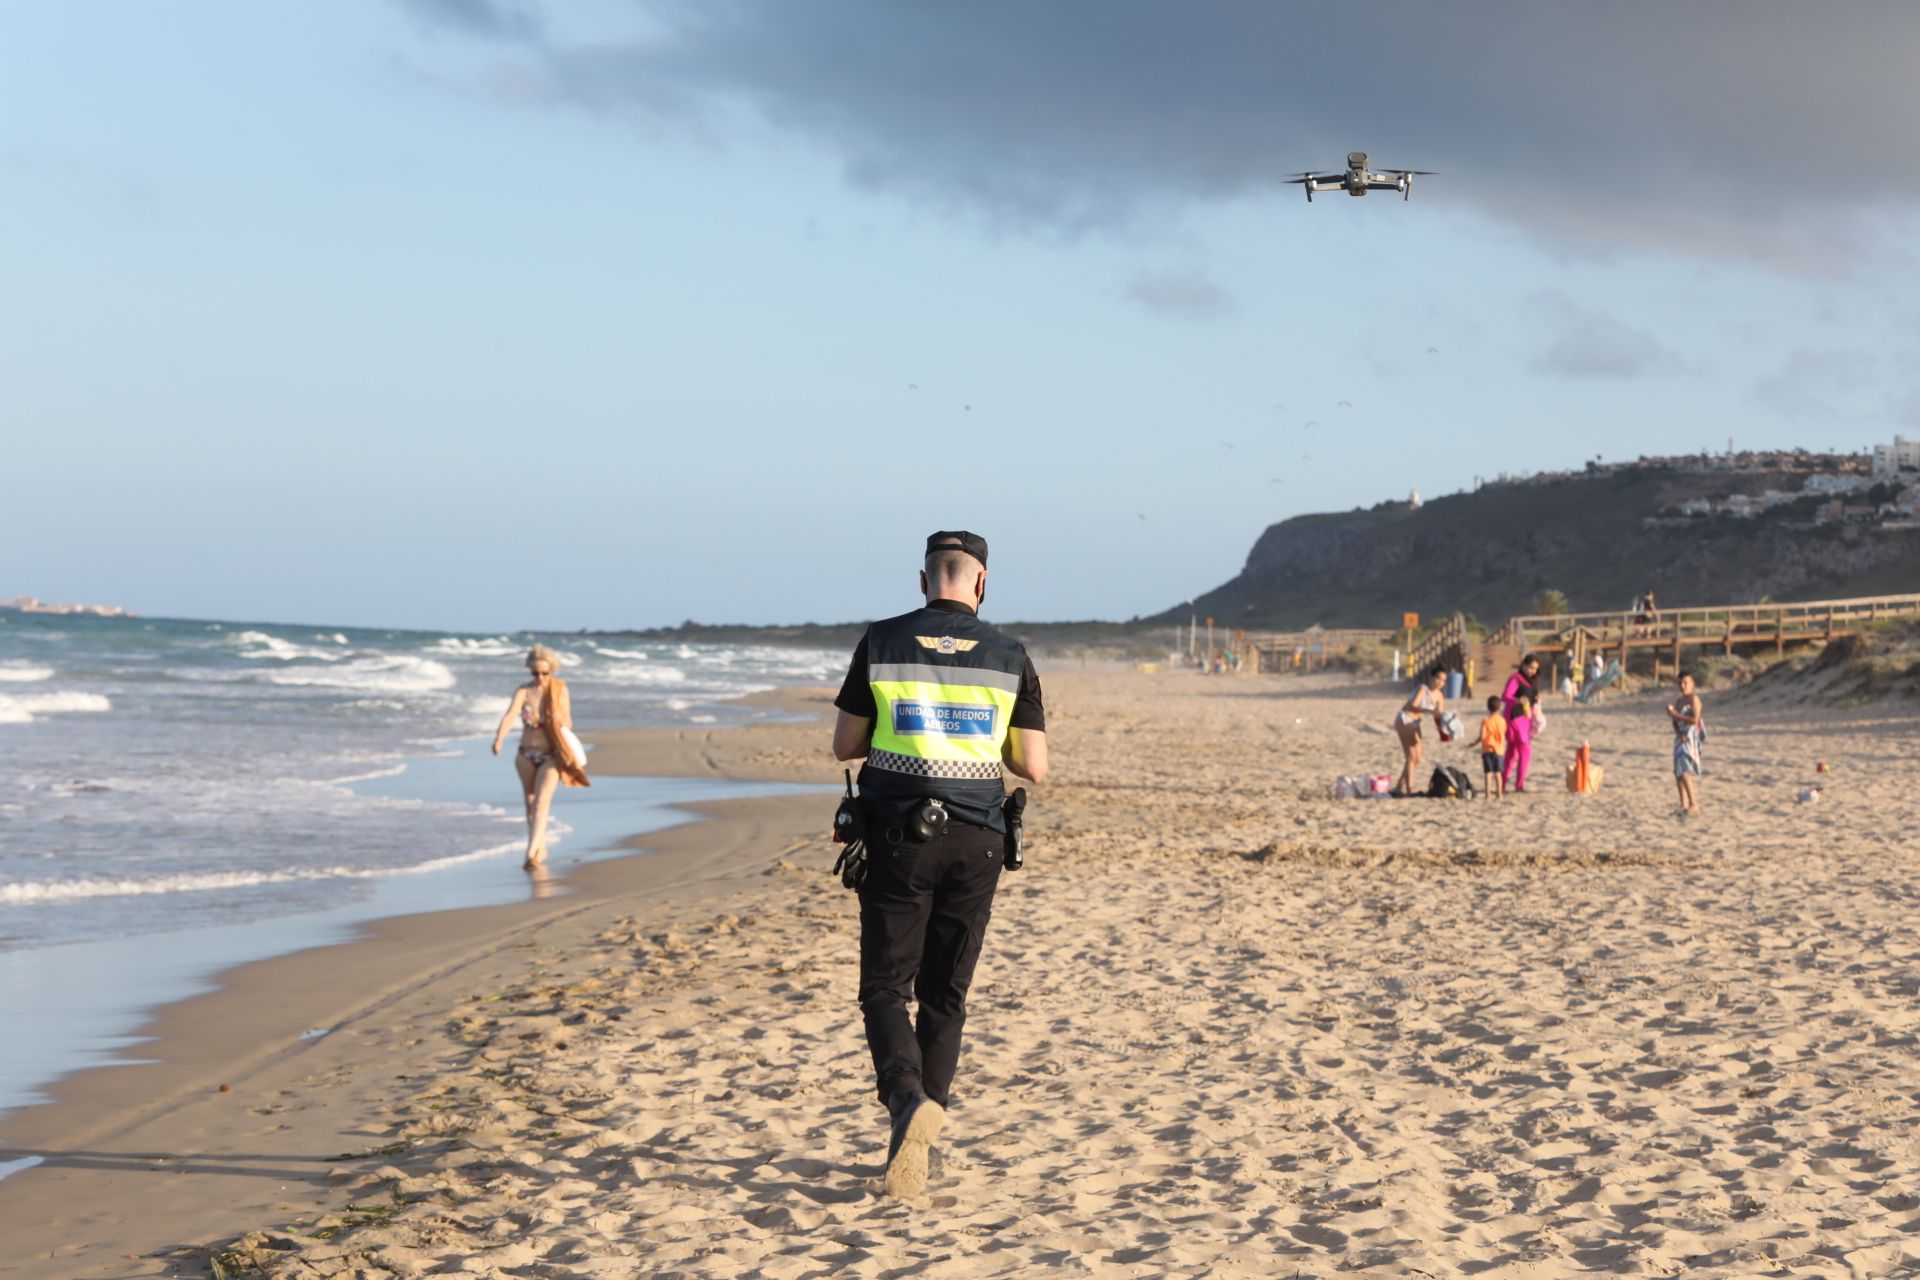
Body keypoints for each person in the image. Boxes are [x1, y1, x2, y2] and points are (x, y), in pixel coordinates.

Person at [831, 531, 1048, 1198]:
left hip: (899, 832)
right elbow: (1033, 767)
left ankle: (906, 1104)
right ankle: (924, 1136)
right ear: (981, 584)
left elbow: (844, 745)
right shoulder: (1010, 654)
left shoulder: (884, 641)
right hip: (979, 837)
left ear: (924, 581)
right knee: (945, 993)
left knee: (884, 987)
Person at [491, 644, 588, 870]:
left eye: (545, 673)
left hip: (551, 755)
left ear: (552, 670)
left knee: (542, 801)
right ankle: (539, 844)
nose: (540, 677)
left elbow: (568, 721)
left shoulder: (559, 690)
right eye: (535, 673)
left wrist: (555, 720)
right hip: (525, 754)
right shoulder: (524, 691)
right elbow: (509, 716)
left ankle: (531, 853)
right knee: (530, 801)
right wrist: (499, 738)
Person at [1391, 668, 1447, 796]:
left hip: (1416, 722)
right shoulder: (1423, 689)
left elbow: (1439, 715)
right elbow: (1412, 706)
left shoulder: (1439, 696)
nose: (1440, 682)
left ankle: (1399, 786)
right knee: (1410, 756)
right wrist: (1429, 711)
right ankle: (1410, 790)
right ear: (1432, 678)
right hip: (1405, 718)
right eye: (1438, 678)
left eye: (1443, 680)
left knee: (1417, 759)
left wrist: (1444, 733)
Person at [1501, 654, 1542, 793]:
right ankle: (1519, 785)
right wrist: (1517, 700)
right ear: (1523, 664)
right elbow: (1505, 696)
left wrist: (1535, 699)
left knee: (1512, 754)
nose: (1532, 671)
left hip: (1525, 719)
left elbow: (1531, 698)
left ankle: (1502, 784)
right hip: (1515, 718)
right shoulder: (1515, 679)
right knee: (1525, 751)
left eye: (1535, 669)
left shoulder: (1531, 681)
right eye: (1530, 667)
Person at [1668, 670, 1704, 815]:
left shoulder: (1693, 699)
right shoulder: (1679, 701)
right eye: (1680, 683)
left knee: (1684, 771)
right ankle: (1683, 804)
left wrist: (1676, 715)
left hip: (1690, 737)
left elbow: (1695, 720)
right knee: (1677, 771)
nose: (1682, 686)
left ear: (1692, 684)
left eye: (1685, 683)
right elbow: (1674, 722)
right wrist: (1678, 731)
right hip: (1680, 738)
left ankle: (1694, 804)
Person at [1478, 694, 1508, 799]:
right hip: (1499, 750)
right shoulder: (1502, 721)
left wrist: (1475, 742)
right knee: (1498, 774)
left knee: (1488, 773)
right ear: (1500, 707)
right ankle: (1499, 794)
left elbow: (1482, 736)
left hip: (1487, 749)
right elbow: (1504, 734)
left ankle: (1488, 794)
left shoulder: (1485, 721)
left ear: (1488, 707)